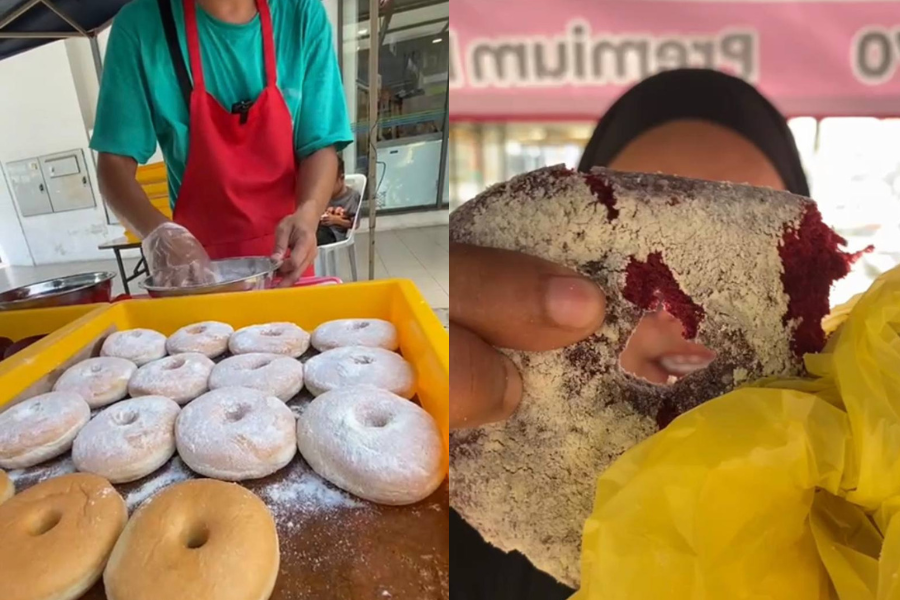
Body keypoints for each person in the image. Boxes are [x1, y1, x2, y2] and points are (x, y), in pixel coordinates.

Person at [449, 69, 811, 599]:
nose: (687, 317)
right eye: (646, 251)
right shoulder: (476, 541)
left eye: (738, 266)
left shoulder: (860, 524)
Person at [91, 0, 352, 287]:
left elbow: (320, 146)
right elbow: (113, 164)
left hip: (287, 260)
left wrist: (309, 213)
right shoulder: (141, 25)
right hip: (195, 270)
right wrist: (159, 234)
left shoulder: (300, 13)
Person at [316, 157, 360, 246]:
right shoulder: (325, 195)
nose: (326, 187)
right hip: (320, 228)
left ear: (341, 178)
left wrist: (336, 220)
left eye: (330, 183)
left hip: (335, 234)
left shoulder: (352, 197)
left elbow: (354, 224)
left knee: (316, 237)